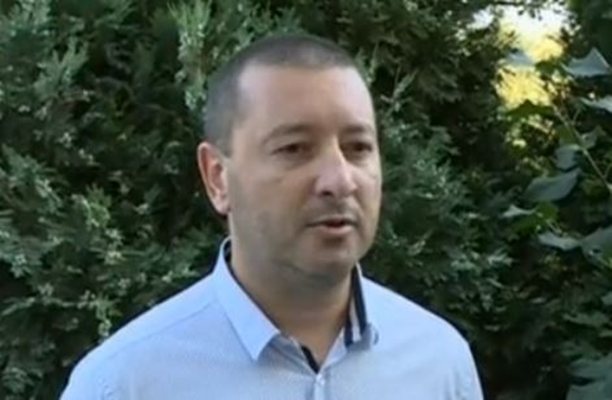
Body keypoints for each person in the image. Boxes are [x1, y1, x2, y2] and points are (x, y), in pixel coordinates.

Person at [60, 33, 483, 400]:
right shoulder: (123, 385)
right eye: (294, 149)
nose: (339, 180)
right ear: (218, 177)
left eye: (358, 148)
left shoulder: (439, 362)